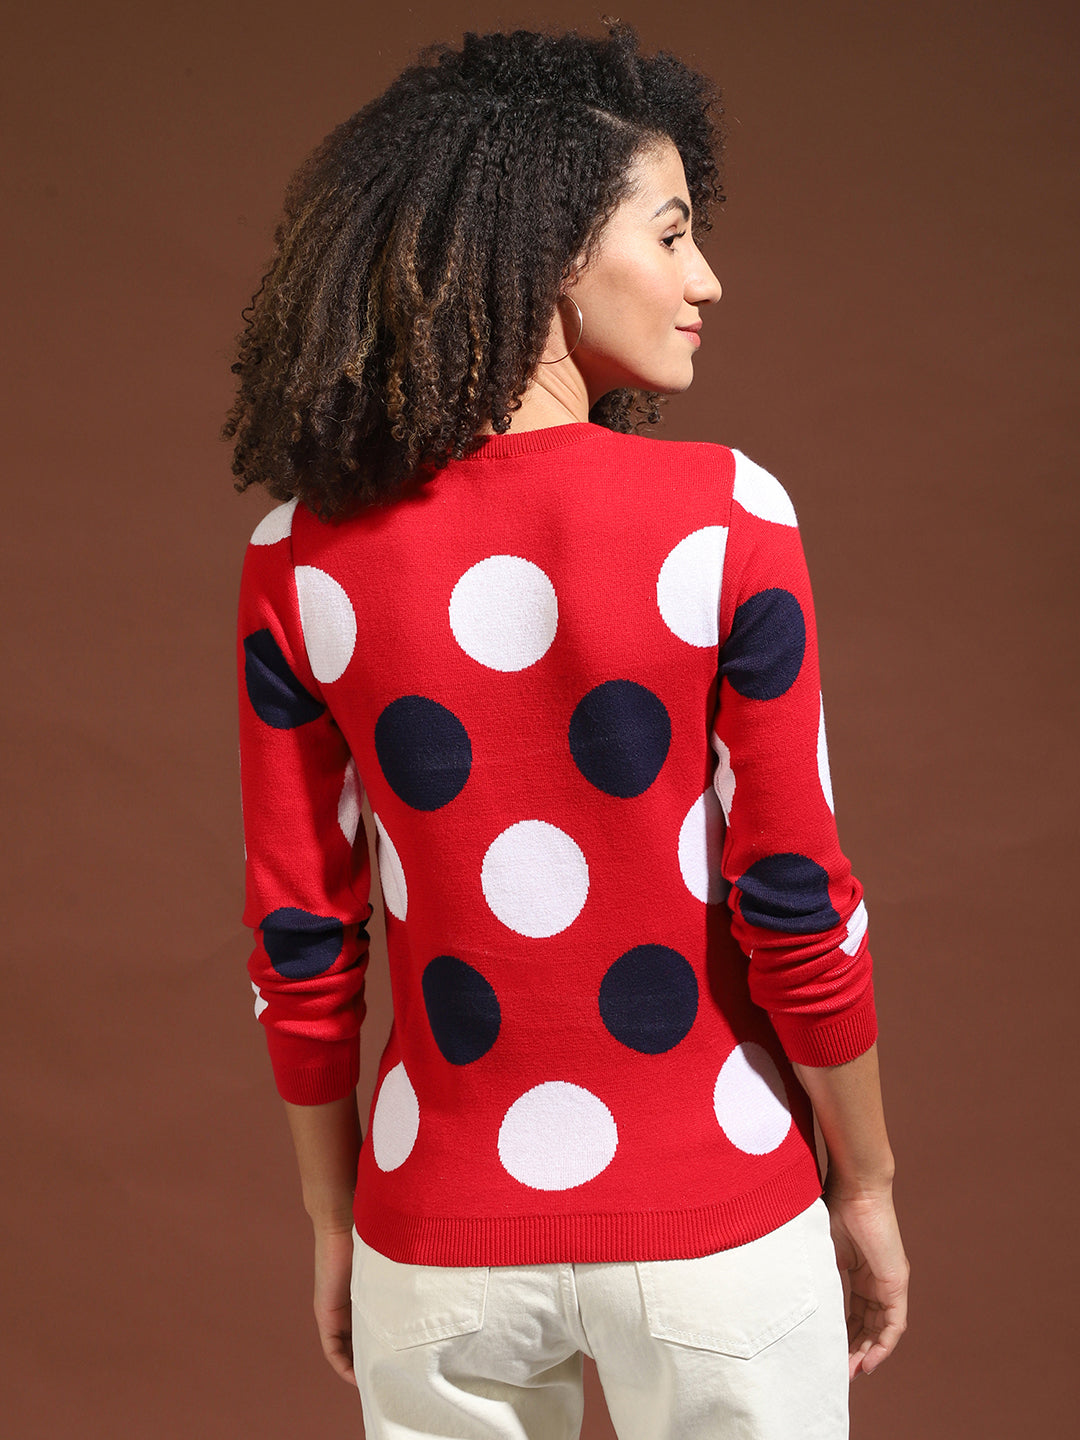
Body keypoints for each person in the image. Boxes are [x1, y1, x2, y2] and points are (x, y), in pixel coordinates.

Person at [223, 20, 909, 1439]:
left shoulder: (297, 559)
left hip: (436, 1228)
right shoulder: (729, 515)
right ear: (551, 251)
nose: (706, 279)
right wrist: (867, 1182)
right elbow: (795, 899)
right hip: (717, 1215)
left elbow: (303, 941)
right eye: (673, 234)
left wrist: (334, 1220)